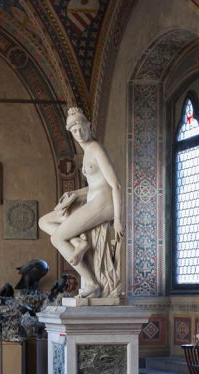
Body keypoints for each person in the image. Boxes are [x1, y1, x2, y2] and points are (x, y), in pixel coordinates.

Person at [39, 107, 123, 298]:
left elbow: (115, 185)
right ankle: (78, 242)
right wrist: (76, 194)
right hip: (92, 200)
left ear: (89, 126)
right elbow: (95, 185)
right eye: (74, 130)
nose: (78, 133)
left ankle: (92, 283)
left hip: (103, 205)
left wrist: (117, 218)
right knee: (44, 221)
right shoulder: (86, 152)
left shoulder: (95, 148)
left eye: (81, 128)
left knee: (57, 238)